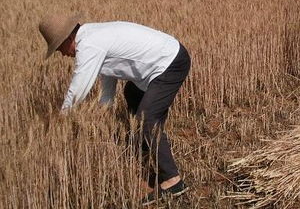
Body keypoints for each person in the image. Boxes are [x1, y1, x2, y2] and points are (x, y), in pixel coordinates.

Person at [38, 13, 190, 204]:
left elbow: (78, 89)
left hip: (170, 63)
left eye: (59, 48)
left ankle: (173, 180)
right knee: (132, 94)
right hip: (162, 60)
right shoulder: (92, 35)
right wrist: (104, 109)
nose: (61, 54)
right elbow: (109, 73)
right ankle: (146, 146)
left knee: (148, 118)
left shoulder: (89, 45)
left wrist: (60, 121)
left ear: (69, 38)